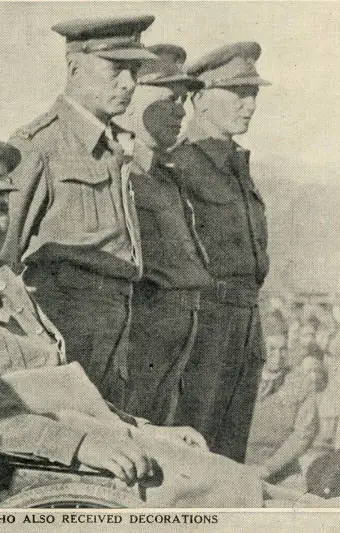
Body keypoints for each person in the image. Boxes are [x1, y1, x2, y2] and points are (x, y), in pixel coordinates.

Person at [0, 139, 306, 508]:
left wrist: (144, 429)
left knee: (236, 480)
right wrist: (84, 445)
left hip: (68, 449)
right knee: (223, 489)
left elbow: (71, 392)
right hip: (13, 466)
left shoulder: (10, 290)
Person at [2, 16, 158, 406]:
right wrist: (38, 341)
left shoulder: (117, 148)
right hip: (67, 323)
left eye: (134, 71)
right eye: (116, 69)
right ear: (74, 67)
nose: (129, 84)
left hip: (118, 323)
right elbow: (0, 260)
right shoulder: (40, 145)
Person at [170, 42, 271, 462]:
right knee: (194, 457)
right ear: (198, 98)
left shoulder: (236, 165)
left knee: (230, 459)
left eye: (253, 95)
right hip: (205, 328)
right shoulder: (179, 165)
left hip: (245, 327)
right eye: (236, 93)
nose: (248, 105)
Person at [119, 45, 212, 424]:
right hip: (136, 341)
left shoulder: (168, 179)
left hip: (176, 341)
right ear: (131, 98)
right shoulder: (121, 173)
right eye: (169, 97)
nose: (181, 110)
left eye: (185, 100)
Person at [245, 355, 325, 484]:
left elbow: (305, 433)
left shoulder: (301, 382)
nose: (278, 356)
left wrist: (268, 468)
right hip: (239, 467)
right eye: (271, 349)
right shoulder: (240, 375)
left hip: (282, 472)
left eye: (282, 349)